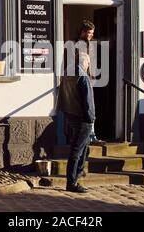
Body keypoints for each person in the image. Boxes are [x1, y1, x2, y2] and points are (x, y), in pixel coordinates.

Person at [56, 52, 95, 193]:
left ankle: (77, 175)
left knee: (81, 149)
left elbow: (63, 94)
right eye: (89, 62)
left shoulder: (68, 73)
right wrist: (91, 118)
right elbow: (88, 101)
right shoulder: (82, 77)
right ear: (84, 62)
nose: (89, 64)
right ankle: (72, 182)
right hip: (82, 117)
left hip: (70, 115)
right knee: (77, 150)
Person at [76, 20, 105, 145]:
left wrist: (92, 75)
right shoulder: (76, 45)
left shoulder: (90, 46)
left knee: (91, 108)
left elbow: (90, 63)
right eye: (88, 33)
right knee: (86, 109)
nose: (90, 36)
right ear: (82, 32)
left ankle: (91, 135)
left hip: (89, 80)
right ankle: (88, 136)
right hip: (80, 81)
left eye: (92, 33)